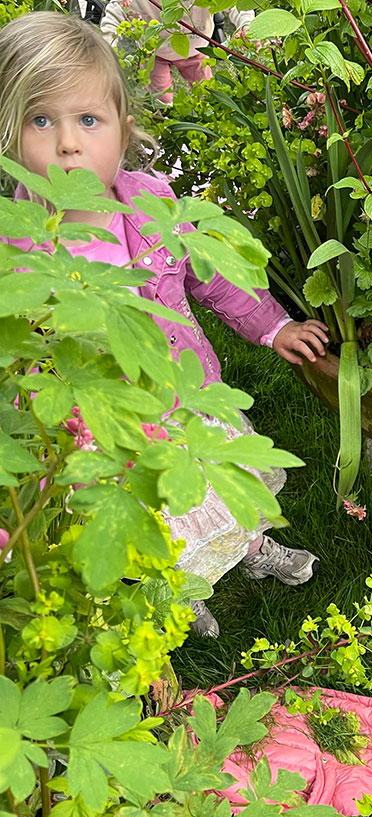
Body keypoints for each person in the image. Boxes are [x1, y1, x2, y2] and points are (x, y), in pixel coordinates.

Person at [0, 11, 329, 637]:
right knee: (149, 513)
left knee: (213, 483)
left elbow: (211, 274)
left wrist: (271, 326)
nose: (68, 143)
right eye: (42, 120)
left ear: (124, 132)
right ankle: (173, 587)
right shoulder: (17, 245)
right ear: (10, 137)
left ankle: (252, 548)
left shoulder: (149, 205)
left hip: (182, 395)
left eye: (87, 120)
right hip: (101, 425)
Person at [100, 0, 252, 103]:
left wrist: (247, 24)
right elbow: (115, 14)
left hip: (196, 50)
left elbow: (237, 4)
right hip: (154, 53)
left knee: (208, 95)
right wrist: (103, 48)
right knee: (160, 100)